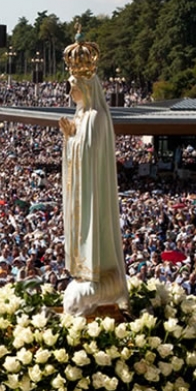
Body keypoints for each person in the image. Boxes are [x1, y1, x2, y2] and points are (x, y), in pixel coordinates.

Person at [58, 26, 128, 316]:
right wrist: (69, 139)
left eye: (74, 86)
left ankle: (97, 274)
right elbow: (76, 153)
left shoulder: (97, 117)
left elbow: (91, 156)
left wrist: (74, 139)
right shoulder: (80, 115)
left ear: (87, 87)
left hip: (91, 190)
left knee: (94, 227)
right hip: (78, 189)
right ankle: (81, 271)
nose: (70, 91)